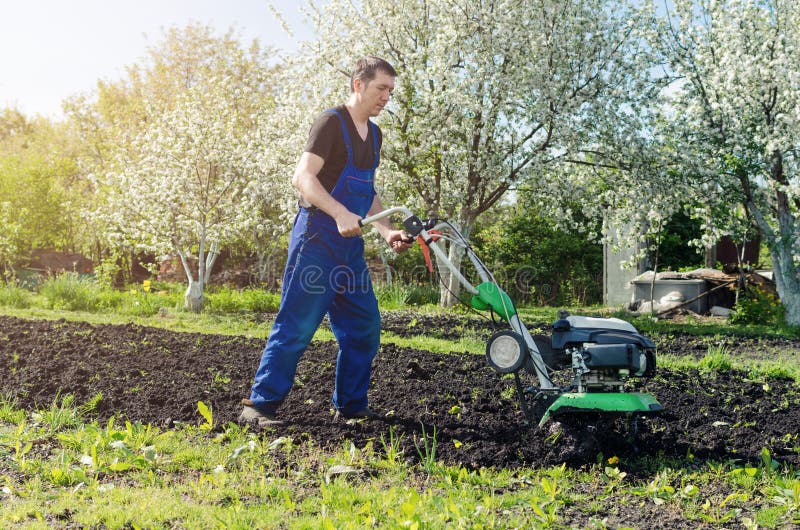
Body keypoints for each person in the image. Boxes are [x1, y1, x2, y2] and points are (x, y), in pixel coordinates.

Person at [239, 57, 411, 426]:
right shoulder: (331, 123)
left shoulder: (375, 134)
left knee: (364, 327)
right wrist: (338, 213)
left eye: (390, 91)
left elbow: (367, 190)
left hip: (349, 248)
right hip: (317, 237)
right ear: (358, 85)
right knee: (297, 325)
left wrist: (386, 230)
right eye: (381, 88)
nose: (386, 97)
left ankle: (349, 406)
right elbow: (303, 177)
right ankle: (258, 407)